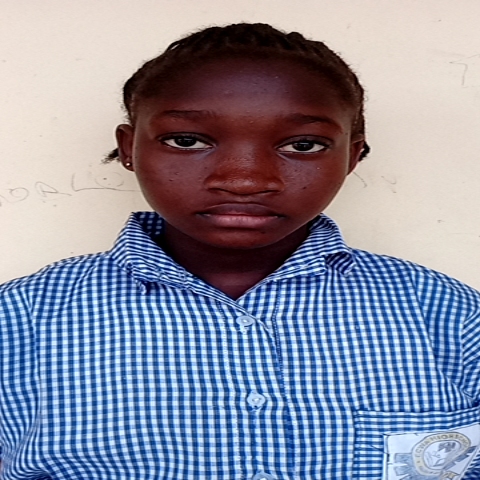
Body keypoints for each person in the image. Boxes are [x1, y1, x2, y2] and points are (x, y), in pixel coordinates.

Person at [1, 22, 480, 480]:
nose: (245, 179)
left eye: (304, 145)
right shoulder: (20, 321)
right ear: (129, 149)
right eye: (186, 141)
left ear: (352, 157)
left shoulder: (449, 316)